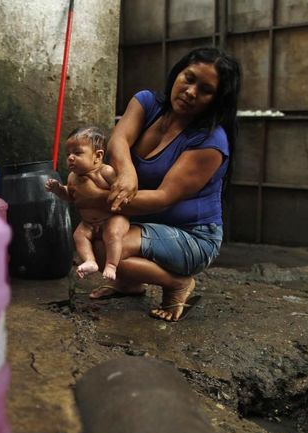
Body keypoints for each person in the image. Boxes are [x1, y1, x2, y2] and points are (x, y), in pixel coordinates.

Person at [82, 47, 241, 321]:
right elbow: (118, 141)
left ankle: (178, 283)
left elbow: (163, 197)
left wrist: (92, 198)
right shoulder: (147, 103)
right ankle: (129, 283)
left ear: (216, 100)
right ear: (176, 73)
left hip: (194, 236)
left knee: (103, 246)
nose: (191, 92)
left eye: (205, 90)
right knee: (98, 237)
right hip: (144, 223)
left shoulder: (210, 142)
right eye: (188, 78)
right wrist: (128, 172)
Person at [45, 126, 130, 280]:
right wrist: (58, 189)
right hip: (88, 223)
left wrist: (121, 195)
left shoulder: (106, 172)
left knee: (113, 233)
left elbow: (119, 189)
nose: (70, 157)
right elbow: (70, 196)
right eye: (68, 154)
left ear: (97, 156)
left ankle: (111, 264)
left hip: (111, 218)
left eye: (77, 153)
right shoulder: (72, 177)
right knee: (78, 235)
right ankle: (90, 261)